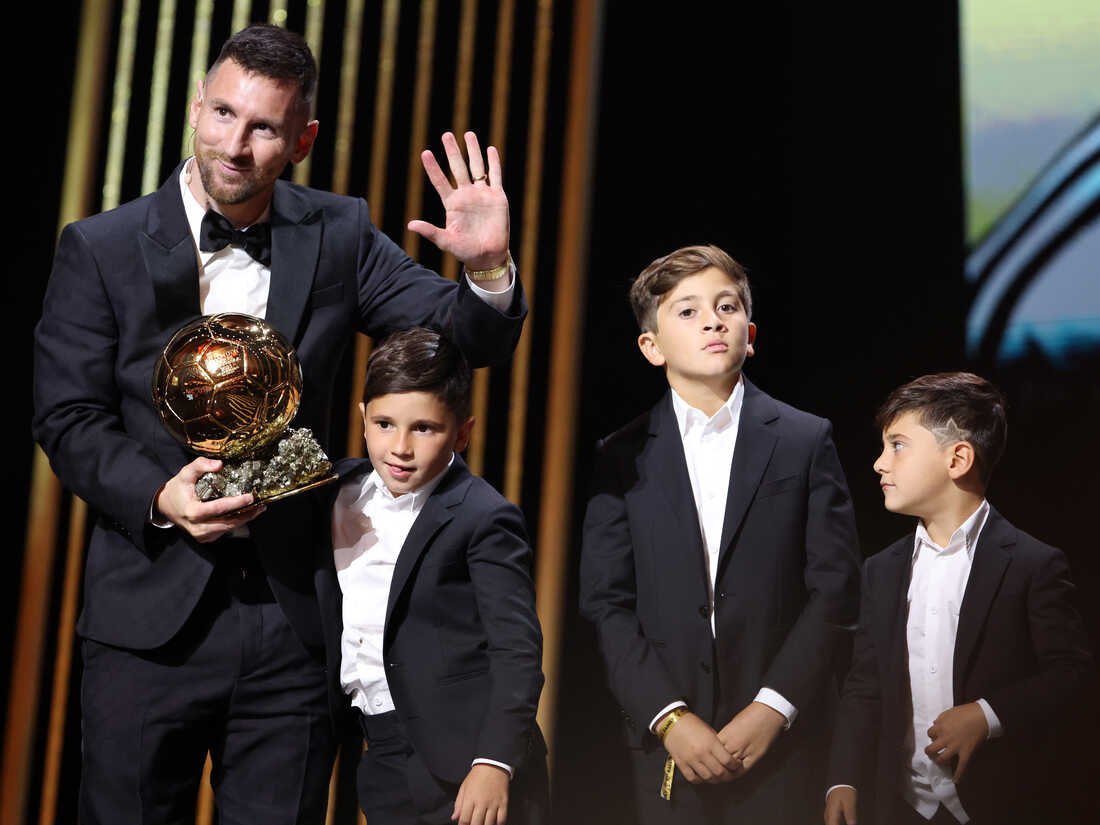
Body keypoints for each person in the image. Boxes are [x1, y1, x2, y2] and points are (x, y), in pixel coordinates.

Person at [32, 24, 526, 825]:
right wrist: (163, 493)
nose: (235, 145)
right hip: (146, 621)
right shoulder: (101, 246)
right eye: (223, 114)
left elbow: (459, 339)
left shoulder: (336, 234)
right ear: (194, 107)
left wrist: (486, 269)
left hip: (291, 623)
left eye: (264, 127)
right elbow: (68, 417)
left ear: (303, 139)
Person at [578, 244, 861, 824]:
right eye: (688, 311)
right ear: (651, 347)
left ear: (749, 332)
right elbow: (606, 602)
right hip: (670, 749)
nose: (712, 319)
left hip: (785, 741)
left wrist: (773, 707)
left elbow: (835, 590)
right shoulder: (620, 456)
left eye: (726, 306)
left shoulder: (804, 440)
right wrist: (668, 717)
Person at [824, 372, 1095, 825]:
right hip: (901, 805)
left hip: (997, 803)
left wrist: (988, 715)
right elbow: (864, 684)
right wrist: (844, 777)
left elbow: (1072, 673)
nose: (879, 463)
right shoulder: (881, 569)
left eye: (898, 445)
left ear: (958, 459)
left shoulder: (1031, 563)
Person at [316, 327, 547, 825]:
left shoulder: (484, 516)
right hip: (379, 749)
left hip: (467, 757)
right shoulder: (336, 491)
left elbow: (518, 650)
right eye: (383, 424)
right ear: (362, 419)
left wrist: (494, 762)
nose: (399, 446)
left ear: (462, 432)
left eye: (424, 428)